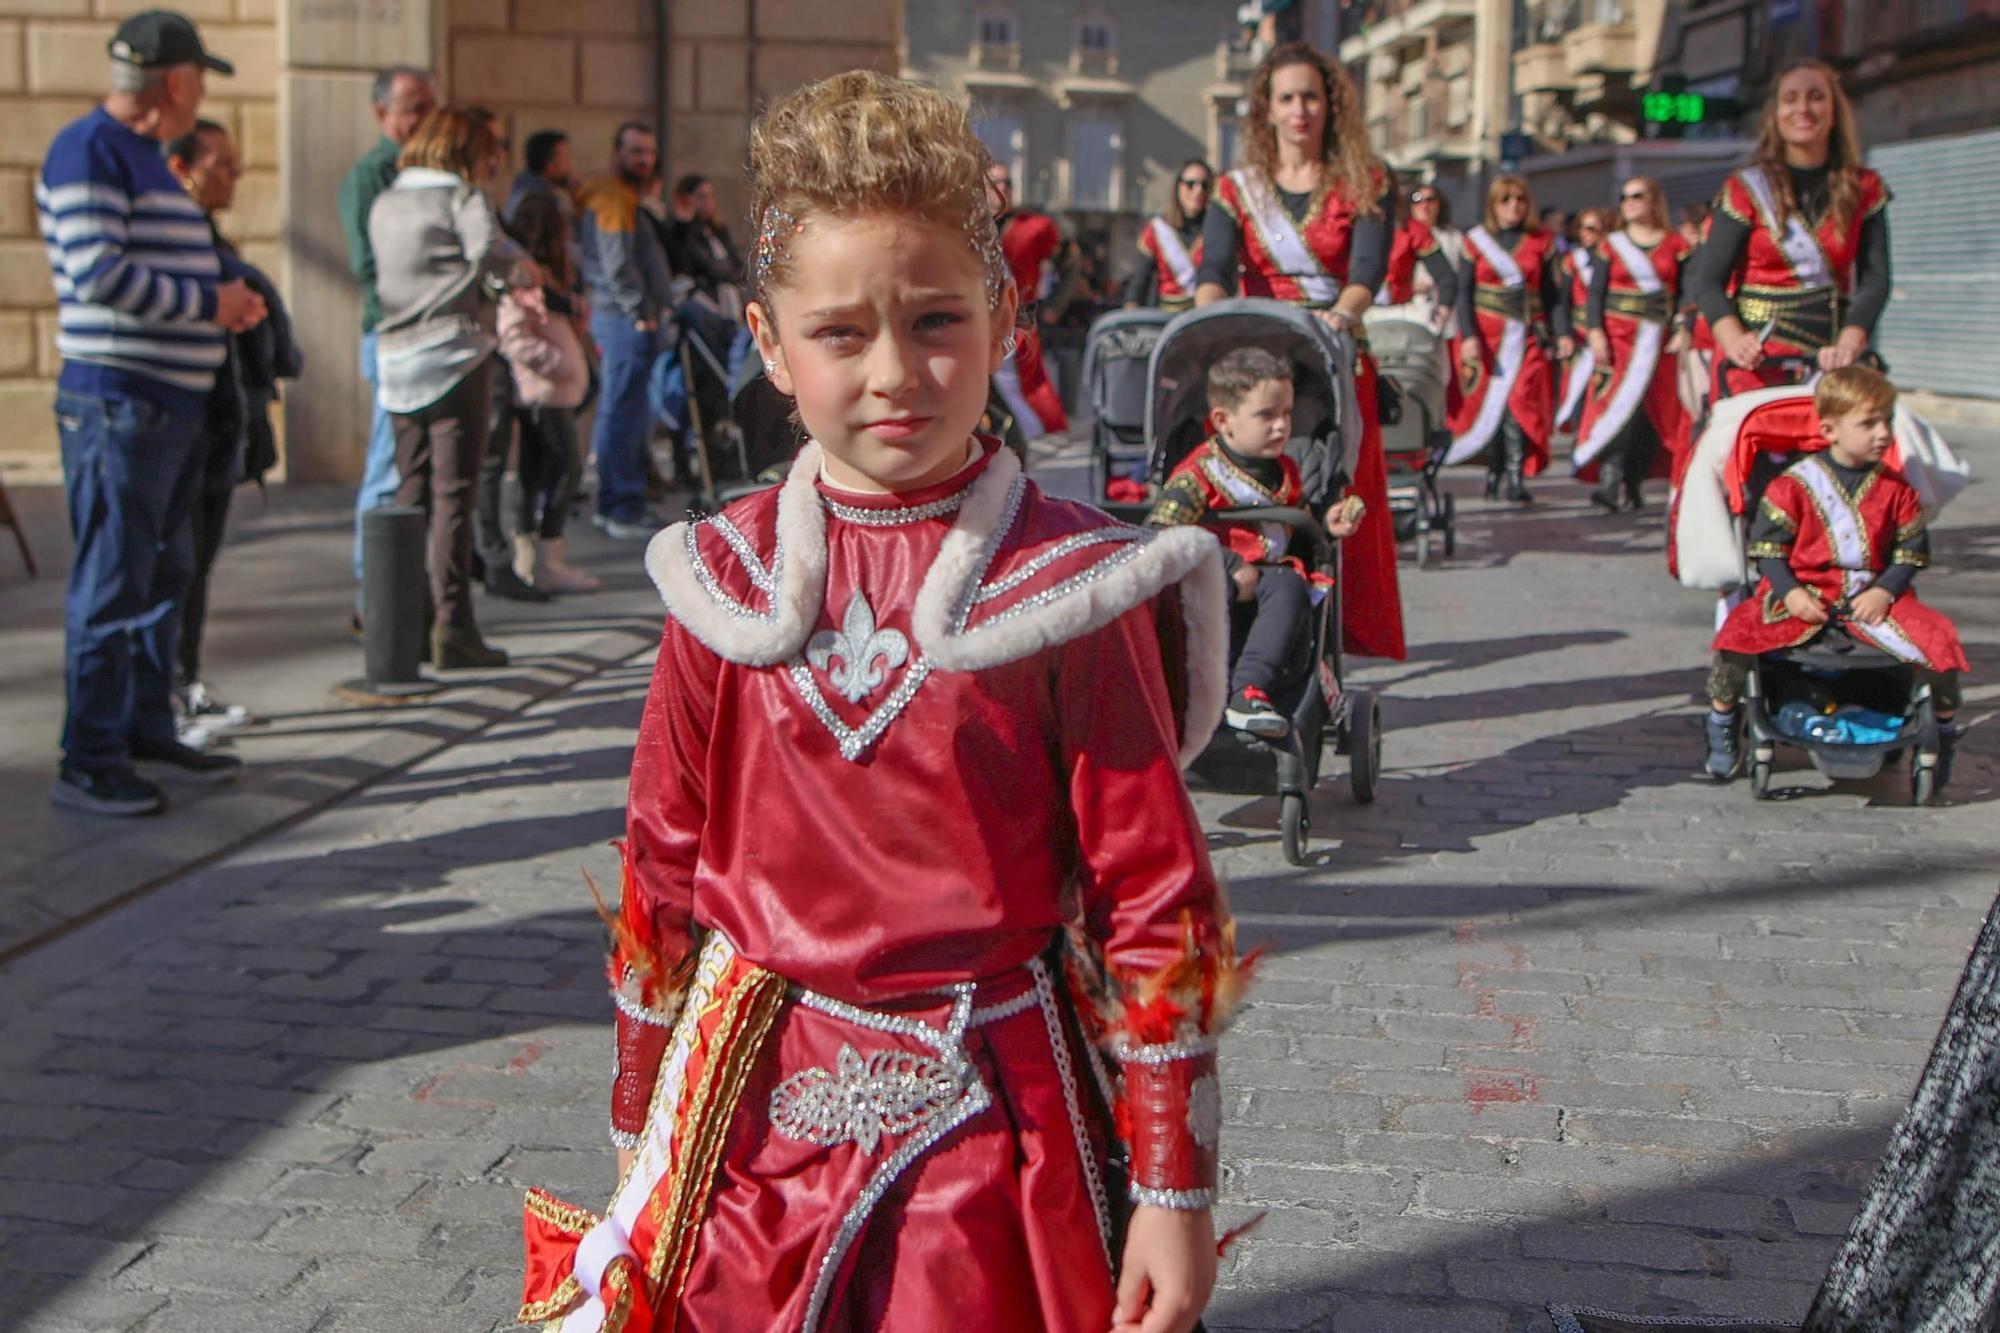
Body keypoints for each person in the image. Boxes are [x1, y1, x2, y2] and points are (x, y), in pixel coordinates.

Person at [517, 70, 1241, 1333]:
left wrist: (1171, 1186)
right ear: (765, 343)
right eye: (842, 332)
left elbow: (1152, 892)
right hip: (742, 1134)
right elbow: (662, 866)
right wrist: (640, 1123)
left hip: (995, 1131)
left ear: (1007, 318)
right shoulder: (723, 584)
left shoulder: (1068, 587)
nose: (897, 371)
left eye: (937, 321)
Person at [39, 10, 262, 815]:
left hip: (163, 405)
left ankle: (142, 724)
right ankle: (89, 756)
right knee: (113, 580)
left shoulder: (137, 156)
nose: (201, 90)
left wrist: (217, 303)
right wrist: (212, 301)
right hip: (118, 404)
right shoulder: (89, 150)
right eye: (199, 76)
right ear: (174, 82)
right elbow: (99, 274)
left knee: (163, 575)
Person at [1193, 40, 1407, 663]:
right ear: (1266, 110)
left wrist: (1344, 311)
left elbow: (1367, 270)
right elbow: (1212, 269)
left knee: (1332, 491)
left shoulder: (1364, 182)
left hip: (1335, 353)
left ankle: (1327, 632)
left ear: (1330, 106)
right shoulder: (1236, 190)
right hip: (1258, 355)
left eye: (1311, 96)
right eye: (1286, 98)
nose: (1299, 110)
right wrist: (1209, 318)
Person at [1701, 366, 1966, 786]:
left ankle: (1943, 735)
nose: (1882, 433)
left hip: (1875, 596)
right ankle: (1722, 721)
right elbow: (1767, 551)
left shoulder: (1898, 491)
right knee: (1738, 633)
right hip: (1803, 591)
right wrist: (1789, 593)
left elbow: (1909, 553)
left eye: (1887, 421)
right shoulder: (1792, 486)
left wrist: (1884, 590)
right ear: (1830, 429)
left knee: (1940, 640)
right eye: (1868, 423)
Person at [369, 107, 541, 669]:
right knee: (454, 497)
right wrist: (522, 271)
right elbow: (490, 252)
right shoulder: (461, 197)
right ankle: (453, 625)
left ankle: (405, 625)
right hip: (454, 353)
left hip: (396, 358)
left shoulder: (387, 199)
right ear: (463, 148)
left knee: (410, 489)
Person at [163, 117, 302, 747]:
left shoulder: (206, 236)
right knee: (172, 565)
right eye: (222, 164)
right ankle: (166, 696)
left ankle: (184, 682)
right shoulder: (176, 236)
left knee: (195, 563)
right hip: (185, 420)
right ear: (182, 169)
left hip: (220, 422)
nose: (235, 177)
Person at [1147, 346, 1363, 738]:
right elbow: (1162, 532)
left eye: (1286, 414)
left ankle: (1249, 690)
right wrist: (1228, 564)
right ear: (1223, 421)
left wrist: (1326, 525)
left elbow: (1295, 527)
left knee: (1290, 584)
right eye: (1266, 416)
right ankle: (1207, 688)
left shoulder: (1287, 471)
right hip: (1211, 578)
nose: (1281, 426)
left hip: (1271, 581)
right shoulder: (1198, 474)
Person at [1683, 59, 1891, 402]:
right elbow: (1707, 281)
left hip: (1829, 359)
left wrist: (1851, 340)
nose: (1803, 109)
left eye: (1816, 97)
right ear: (1775, 114)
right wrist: (1733, 338)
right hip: (1755, 361)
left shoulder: (1864, 188)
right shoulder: (1745, 189)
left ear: (1834, 112)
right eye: (1790, 99)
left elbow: (1876, 278)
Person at [338, 64, 437, 633]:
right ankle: (371, 595)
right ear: (385, 115)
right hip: (395, 335)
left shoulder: (428, 169)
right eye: (413, 107)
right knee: (385, 466)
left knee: (419, 470)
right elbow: (369, 268)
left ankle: (408, 592)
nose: (424, 117)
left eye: (430, 105)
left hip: (432, 337)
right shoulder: (371, 175)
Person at [1447, 174, 1572, 504]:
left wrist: (1562, 334)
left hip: (1525, 336)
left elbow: (1551, 294)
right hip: (1485, 337)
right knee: (1490, 406)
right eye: (1506, 200)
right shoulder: (1476, 241)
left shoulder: (1540, 242)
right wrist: (1470, 335)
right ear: (1493, 205)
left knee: (1519, 403)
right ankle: (1494, 471)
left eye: (1519, 199)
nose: (1513, 206)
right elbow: (1464, 292)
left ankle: (1515, 476)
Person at [497, 189, 599, 593]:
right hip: (542, 389)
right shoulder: (525, 276)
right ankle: (540, 556)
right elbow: (515, 336)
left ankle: (538, 558)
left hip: (555, 388)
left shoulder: (554, 275)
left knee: (539, 470)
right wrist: (560, 366)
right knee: (562, 469)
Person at [578, 120, 674, 538]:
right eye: (636, 151)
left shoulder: (626, 199)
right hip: (623, 319)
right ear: (617, 153)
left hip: (626, 317)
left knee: (628, 411)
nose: (643, 160)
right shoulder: (613, 199)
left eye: (649, 152)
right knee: (623, 412)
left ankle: (623, 500)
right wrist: (640, 311)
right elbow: (617, 265)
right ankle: (619, 505)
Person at [1574, 177, 1691, 512]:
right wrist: (1595, 332)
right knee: (1614, 410)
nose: (1630, 202)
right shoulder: (1610, 245)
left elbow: (1688, 291)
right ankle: (1609, 483)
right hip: (1618, 339)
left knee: (1648, 416)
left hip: (1659, 340)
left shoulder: (1676, 244)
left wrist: (1684, 324)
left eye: (1637, 196)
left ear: (1654, 201)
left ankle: (1635, 482)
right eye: (1624, 197)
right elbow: (1595, 293)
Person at [987, 160, 1070, 441]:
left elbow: (1071, 264)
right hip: (976, 322)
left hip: (1019, 323)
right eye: (995, 182)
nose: (1003, 189)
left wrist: (1054, 307)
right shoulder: (965, 227)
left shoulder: (1034, 227)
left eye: (1008, 183)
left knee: (1022, 395)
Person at [1122, 157, 1212, 312]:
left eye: (1204, 185)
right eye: (1191, 184)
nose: (1198, 190)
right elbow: (1139, 281)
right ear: (1178, 186)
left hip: (1203, 316)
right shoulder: (1157, 229)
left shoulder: (1216, 230)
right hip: (1166, 317)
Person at [1555, 206, 1609, 432]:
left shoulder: (1616, 259)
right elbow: (1562, 302)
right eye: (1581, 228)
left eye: (1591, 228)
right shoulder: (1572, 261)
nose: (1585, 233)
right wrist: (1563, 333)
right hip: (1580, 337)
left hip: (1609, 336)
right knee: (1577, 394)